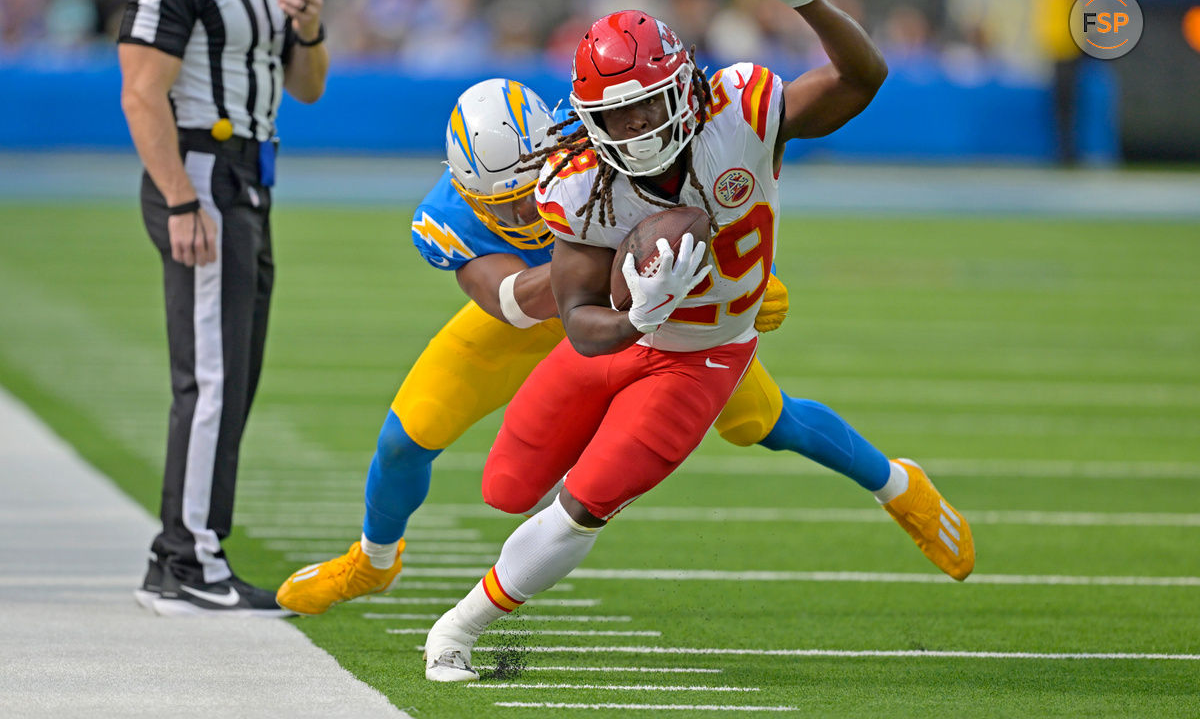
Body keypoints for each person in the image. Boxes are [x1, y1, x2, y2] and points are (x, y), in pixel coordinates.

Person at [423, 0, 974, 682]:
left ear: (683, 82)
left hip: (706, 355)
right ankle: (546, 528)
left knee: (587, 503)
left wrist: (808, 2)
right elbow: (581, 320)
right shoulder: (580, 179)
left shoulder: (739, 111)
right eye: (617, 116)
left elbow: (862, 77)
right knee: (505, 489)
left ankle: (456, 630)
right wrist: (635, 317)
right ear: (588, 117)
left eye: (649, 104)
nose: (638, 128)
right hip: (630, 338)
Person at [275, 75, 966, 617]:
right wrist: (644, 268)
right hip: (567, 311)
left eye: (530, 191)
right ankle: (374, 558)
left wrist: (731, 276)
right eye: (507, 206)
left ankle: (898, 485)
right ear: (467, 192)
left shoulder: (598, 138)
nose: (526, 212)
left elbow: (700, 191)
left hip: (646, 314)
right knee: (406, 436)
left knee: (766, 420)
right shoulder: (447, 219)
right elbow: (513, 303)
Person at [118, 0, 329, 616]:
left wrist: (310, 29)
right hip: (203, 171)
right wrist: (181, 199)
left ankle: (178, 552)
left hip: (250, 176)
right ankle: (190, 558)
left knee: (235, 377)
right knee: (212, 379)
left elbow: (307, 88)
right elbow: (141, 91)